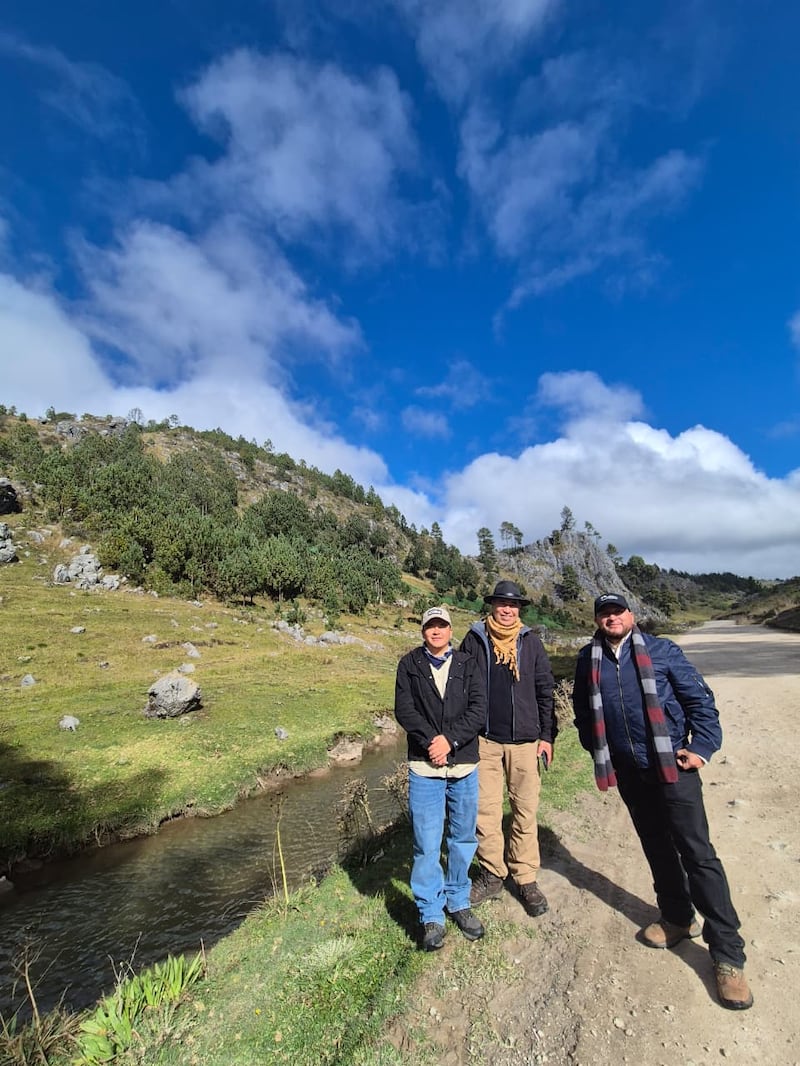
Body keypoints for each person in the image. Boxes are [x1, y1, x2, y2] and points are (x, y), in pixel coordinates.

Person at [572, 593, 753, 1010]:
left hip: (674, 769)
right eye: (604, 613)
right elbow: (584, 711)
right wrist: (598, 748)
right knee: (656, 846)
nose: (611, 618)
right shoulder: (588, 659)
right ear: (598, 619)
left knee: (697, 854)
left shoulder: (662, 650)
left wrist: (702, 747)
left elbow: (701, 704)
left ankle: (727, 954)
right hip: (630, 773)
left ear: (631, 616)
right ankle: (676, 917)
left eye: (618, 611)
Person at [460, 580, 557, 916]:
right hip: (484, 742)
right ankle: (492, 873)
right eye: (501, 603)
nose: (506, 609)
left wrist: (547, 736)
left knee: (525, 810)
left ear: (520, 610)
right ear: (492, 605)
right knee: (485, 812)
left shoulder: (531, 642)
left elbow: (545, 690)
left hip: (526, 743)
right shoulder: (474, 638)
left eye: (512, 605)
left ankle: (525, 876)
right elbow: (460, 688)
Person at [394, 605, 487, 951]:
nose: (436, 631)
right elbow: (405, 710)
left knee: (462, 838)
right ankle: (431, 913)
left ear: (451, 630)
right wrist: (432, 743)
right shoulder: (409, 665)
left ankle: (459, 901)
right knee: (426, 843)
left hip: (463, 766)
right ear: (423, 631)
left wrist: (451, 741)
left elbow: (479, 710)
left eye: (442, 625)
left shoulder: (468, 664)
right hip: (424, 767)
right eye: (430, 626)